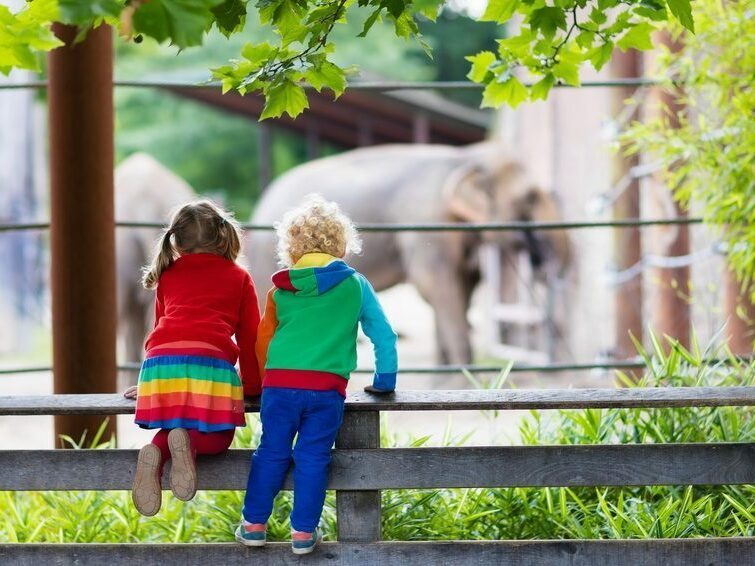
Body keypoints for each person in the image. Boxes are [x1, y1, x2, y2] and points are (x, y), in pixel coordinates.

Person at [236, 195, 397, 554]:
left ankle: (253, 525)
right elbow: (383, 335)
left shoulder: (281, 289)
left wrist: (263, 382)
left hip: (278, 387)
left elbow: (263, 339)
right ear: (341, 243)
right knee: (313, 457)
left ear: (291, 247)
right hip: (326, 390)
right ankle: (303, 534)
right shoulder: (355, 285)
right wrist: (385, 382)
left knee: (271, 452)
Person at [123, 200, 261, 516]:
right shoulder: (239, 277)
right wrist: (252, 386)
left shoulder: (168, 275)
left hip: (159, 367)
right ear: (224, 237)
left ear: (178, 242)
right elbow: (250, 337)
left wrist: (148, 385)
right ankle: (190, 445)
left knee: (173, 427)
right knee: (218, 437)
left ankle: (156, 451)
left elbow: (160, 330)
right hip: (210, 363)